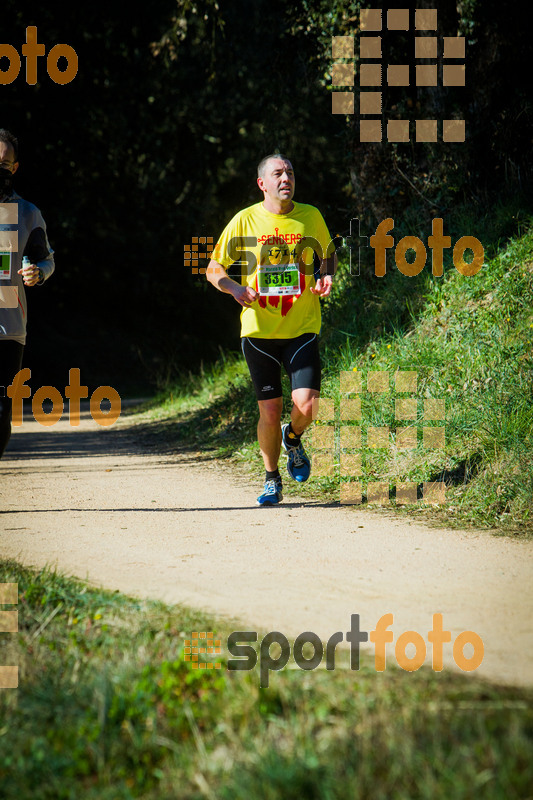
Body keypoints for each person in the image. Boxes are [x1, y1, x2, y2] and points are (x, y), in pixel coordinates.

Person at [206, 153, 336, 505]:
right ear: (262, 183)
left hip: (302, 326)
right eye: (278, 173)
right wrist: (234, 288)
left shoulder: (310, 217)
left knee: (307, 406)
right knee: (269, 410)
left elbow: (328, 255)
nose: (286, 178)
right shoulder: (245, 221)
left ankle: (292, 439)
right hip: (259, 331)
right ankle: (271, 479)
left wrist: (326, 277)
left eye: (290, 172)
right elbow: (213, 267)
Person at [0, 128, 55, 457]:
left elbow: (45, 260)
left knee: (1, 412)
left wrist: (38, 274)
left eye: (5, 162)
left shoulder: (25, 213)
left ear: (15, 168)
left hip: (7, 327)